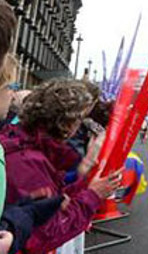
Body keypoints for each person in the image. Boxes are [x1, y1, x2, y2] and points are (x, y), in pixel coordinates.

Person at [1, 79, 122, 253]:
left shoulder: (29, 145)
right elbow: (44, 233)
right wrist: (93, 195)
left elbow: (51, 202)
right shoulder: (27, 160)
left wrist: (87, 183)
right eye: (80, 118)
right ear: (67, 123)